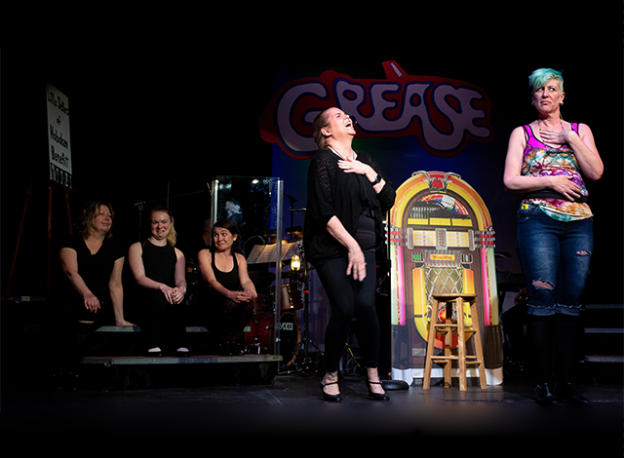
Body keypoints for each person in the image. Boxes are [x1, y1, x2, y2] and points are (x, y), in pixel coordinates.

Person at [503, 68, 603, 404]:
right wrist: (551, 182)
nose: (545, 94)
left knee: (571, 303)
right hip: (538, 220)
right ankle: (543, 384)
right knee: (543, 301)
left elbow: (596, 172)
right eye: (539, 90)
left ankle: (567, 383)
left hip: (578, 223)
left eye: (552, 89)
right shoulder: (522, 133)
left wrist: (571, 139)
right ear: (533, 98)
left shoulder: (580, 130)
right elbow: (511, 181)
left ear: (562, 96)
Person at [304, 107, 396, 402]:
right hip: (332, 248)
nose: (347, 116)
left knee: (367, 308)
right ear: (327, 131)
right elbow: (324, 213)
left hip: (366, 247)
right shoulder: (323, 161)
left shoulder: (367, 160)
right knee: (344, 307)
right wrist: (351, 246)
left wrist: (369, 172)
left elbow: (389, 199)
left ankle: (372, 372)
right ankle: (330, 374)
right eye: (337, 115)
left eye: (347, 114)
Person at [56, 201, 134, 387]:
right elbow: (71, 272)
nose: (108, 219)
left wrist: (120, 318)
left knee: (88, 310)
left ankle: (71, 370)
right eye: (102, 214)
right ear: (88, 217)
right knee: (72, 312)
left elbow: (115, 284)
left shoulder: (115, 245)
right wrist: (87, 294)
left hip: (100, 302)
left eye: (110, 215)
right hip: (74, 296)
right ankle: (65, 370)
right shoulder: (71, 242)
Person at [128, 206, 188, 356]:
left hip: (168, 300)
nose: (160, 226)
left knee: (178, 297)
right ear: (150, 224)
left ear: (170, 223)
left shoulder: (177, 252)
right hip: (146, 298)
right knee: (157, 296)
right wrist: (162, 287)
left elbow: (181, 280)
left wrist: (181, 289)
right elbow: (139, 278)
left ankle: (179, 343)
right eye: (155, 222)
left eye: (164, 222)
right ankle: (152, 343)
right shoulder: (138, 248)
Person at [197, 218, 257, 355]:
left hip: (231, 305)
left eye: (224, 234)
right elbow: (210, 281)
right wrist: (230, 294)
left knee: (248, 304)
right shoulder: (204, 254)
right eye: (215, 234)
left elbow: (246, 280)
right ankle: (224, 341)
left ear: (234, 237)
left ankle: (233, 341)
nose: (219, 238)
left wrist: (252, 293)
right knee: (232, 302)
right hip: (210, 306)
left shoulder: (239, 258)